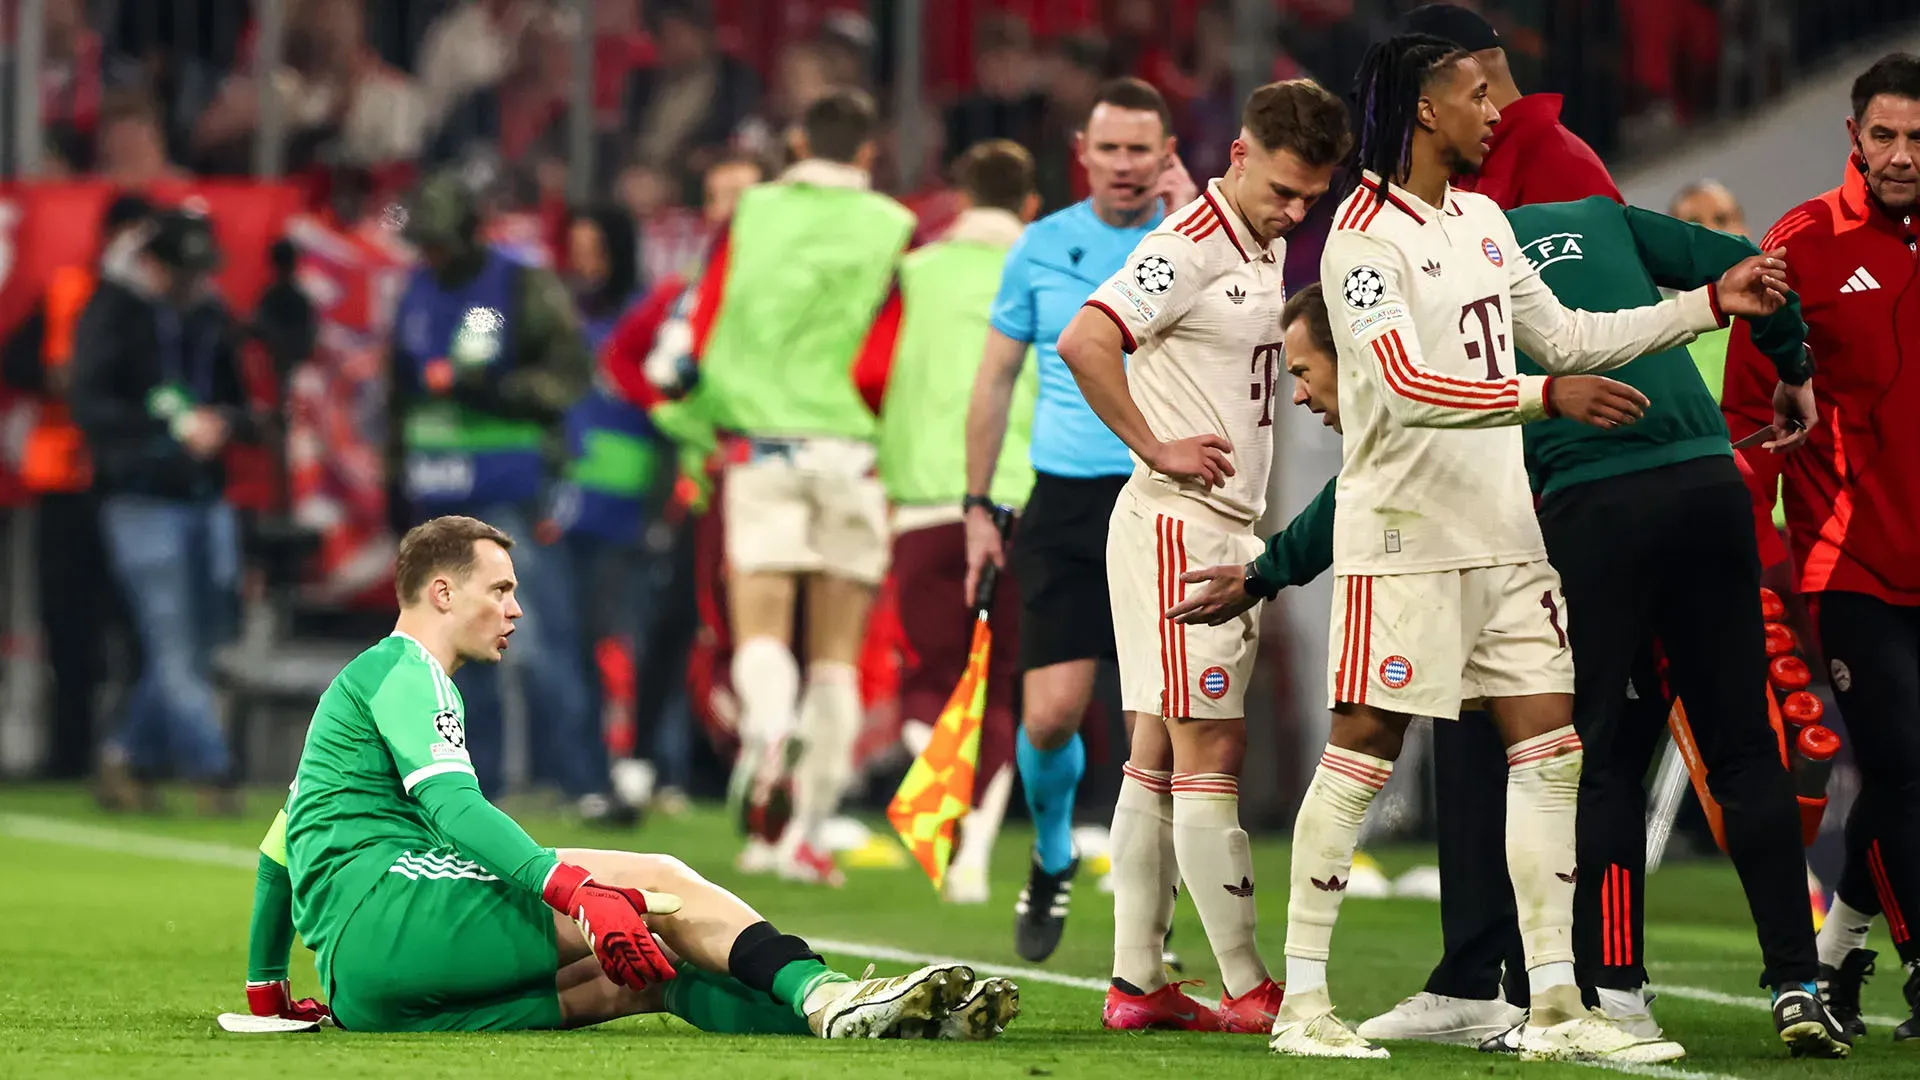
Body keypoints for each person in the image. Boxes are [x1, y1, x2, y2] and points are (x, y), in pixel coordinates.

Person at [1181, 197, 1851, 1059]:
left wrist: (1269, 569)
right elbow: (1709, 273)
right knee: (1408, 757)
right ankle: (1786, 983)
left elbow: (1547, 358)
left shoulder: (1445, 278)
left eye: (1305, 374)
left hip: (1530, 544)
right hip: (1643, 507)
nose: (1302, 394)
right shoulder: (1551, 240)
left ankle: (1575, 998)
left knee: (1566, 759)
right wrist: (1746, 328)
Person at [1261, 33, 1788, 1061]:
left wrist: (1704, 304)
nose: (1495, 110)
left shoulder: (1484, 222)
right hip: (1404, 538)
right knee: (1363, 754)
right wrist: (1547, 397)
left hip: (1506, 533)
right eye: (1474, 93)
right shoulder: (1360, 242)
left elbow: (1575, 340)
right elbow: (1408, 388)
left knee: (1550, 754)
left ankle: (1556, 1007)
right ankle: (1305, 1003)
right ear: (1423, 108)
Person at [242, 514, 1018, 1037]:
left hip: (365, 988)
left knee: (645, 974)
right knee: (659, 880)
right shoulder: (411, 673)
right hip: (398, 920)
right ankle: (825, 993)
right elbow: (453, 807)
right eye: (500, 590)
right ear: (442, 593)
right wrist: (574, 888)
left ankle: (882, 1022)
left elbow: (278, 853)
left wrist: (267, 991)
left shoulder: (359, 686)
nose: (515, 610)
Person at [1346, 4, 1631, 1044]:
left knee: (1553, 738)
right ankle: (1483, 975)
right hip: (1481, 490)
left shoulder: (1548, 163)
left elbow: (1576, 334)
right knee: (1480, 738)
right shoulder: (1443, 197)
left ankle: (1590, 981)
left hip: (1553, 490)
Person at [1056, 79, 1350, 1034]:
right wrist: (1155, 443)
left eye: (1311, 196)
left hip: (1214, 524)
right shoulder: (1185, 248)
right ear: (1238, 156)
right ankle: (1246, 985)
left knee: (1155, 747)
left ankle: (1137, 984)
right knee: (1210, 746)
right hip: (1185, 521)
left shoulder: (1252, 237)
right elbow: (1084, 339)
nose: (1295, 211)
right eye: (1282, 190)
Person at [645, 89, 913, 884]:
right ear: (869, 152)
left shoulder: (753, 213)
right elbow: (899, 343)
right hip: (855, 456)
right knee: (837, 657)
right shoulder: (896, 227)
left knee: (761, 632)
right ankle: (801, 835)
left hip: (763, 450)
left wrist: (689, 402)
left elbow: (699, 321)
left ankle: (767, 727)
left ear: (796, 142)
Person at [962, 76, 1197, 965]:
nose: (1128, 166)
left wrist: (1188, 225)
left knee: (1160, 720)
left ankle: (1152, 923)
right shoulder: (1040, 246)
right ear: (1083, 155)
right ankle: (1053, 850)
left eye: (1144, 149)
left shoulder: (1205, 240)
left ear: (1168, 152)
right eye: (1112, 149)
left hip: (1168, 492)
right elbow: (992, 380)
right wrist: (978, 504)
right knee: (1053, 714)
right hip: (1064, 498)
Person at [1724, 51, 1920, 1045]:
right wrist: (1752, 546)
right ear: (1853, 137)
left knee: (1904, 777)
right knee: (1899, 763)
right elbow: (1748, 416)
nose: (1899, 156)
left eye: (1916, 138)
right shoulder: (1799, 244)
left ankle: (1839, 958)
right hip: (1848, 559)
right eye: (1883, 135)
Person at [385, 169, 597, 804]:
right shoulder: (416, 289)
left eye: (442, 242)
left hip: (511, 492)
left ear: (471, 234)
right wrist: (393, 478)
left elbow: (570, 372)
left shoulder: (519, 284)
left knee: (540, 643)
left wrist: (502, 393)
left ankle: (585, 783)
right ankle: (477, 789)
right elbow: (398, 393)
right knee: (455, 650)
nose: (433, 255)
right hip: (437, 497)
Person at [874, 139, 1042, 905]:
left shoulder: (916, 271)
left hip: (926, 500)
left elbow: (869, 371)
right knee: (1001, 681)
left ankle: (940, 821)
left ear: (959, 199)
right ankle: (972, 856)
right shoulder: (1047, 267)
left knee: (928, 676)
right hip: (1022, 494)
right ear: (1030, 204)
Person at [69, 208, 260, 817]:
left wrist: (224, 422)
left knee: (198, 643)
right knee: (172, 637)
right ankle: (214, 769)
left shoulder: (208, 316)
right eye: (182, 272)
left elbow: (237, 397)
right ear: (152, 265)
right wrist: (169, 429)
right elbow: (90, 404)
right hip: (140, 497)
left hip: (205, 497)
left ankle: (124, 755)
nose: (194, 283)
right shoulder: (113, 312)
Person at [1, 193, 149, 787]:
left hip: (128, 486)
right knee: (68, 628)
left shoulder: (155, 307)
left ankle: (129, 754)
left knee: (135, 631)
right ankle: (69, 756)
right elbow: (13, 362)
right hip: (66, 484)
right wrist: (54, 375)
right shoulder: (67, 292)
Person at [540, 203, 654, 826]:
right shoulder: (560, 318)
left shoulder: (641, 319)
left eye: (596, 250)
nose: (585, 264)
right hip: (568, 507)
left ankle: (642, 770)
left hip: (628, 509)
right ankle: (584, 774)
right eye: (577, 250)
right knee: (569, 649)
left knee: (625, 649)